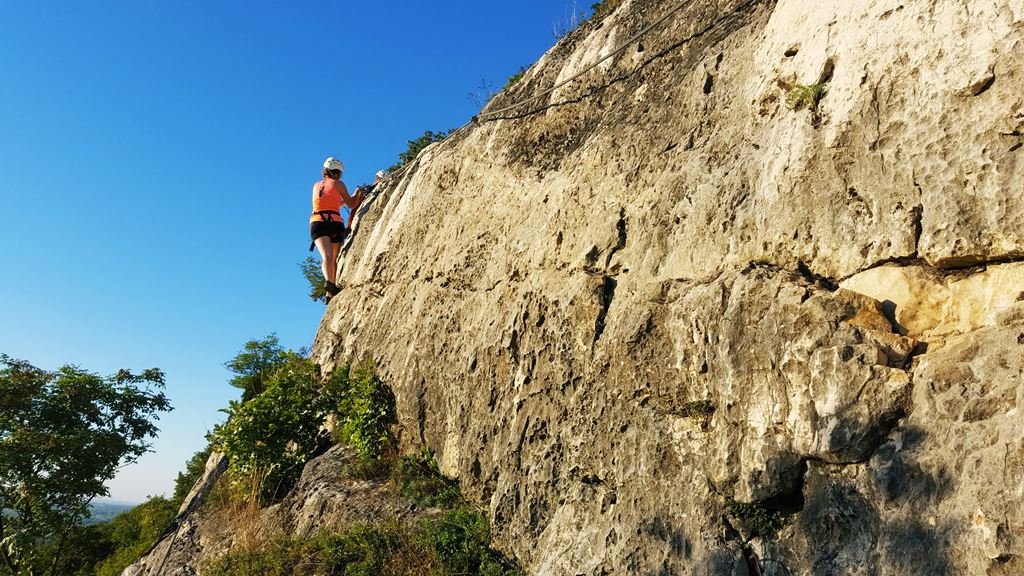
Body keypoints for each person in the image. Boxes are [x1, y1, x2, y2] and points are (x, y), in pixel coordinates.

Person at [310, 157, 359, 301]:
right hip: (335, 223)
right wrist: (357, 193)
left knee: (326, 256)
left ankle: (329, 288)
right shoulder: (339, 184)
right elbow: (351, 204)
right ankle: (330, 289)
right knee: (334, 258)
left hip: (318, 222)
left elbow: (330, 204)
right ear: (338, 172)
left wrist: (342, 201)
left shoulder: (317, 185)